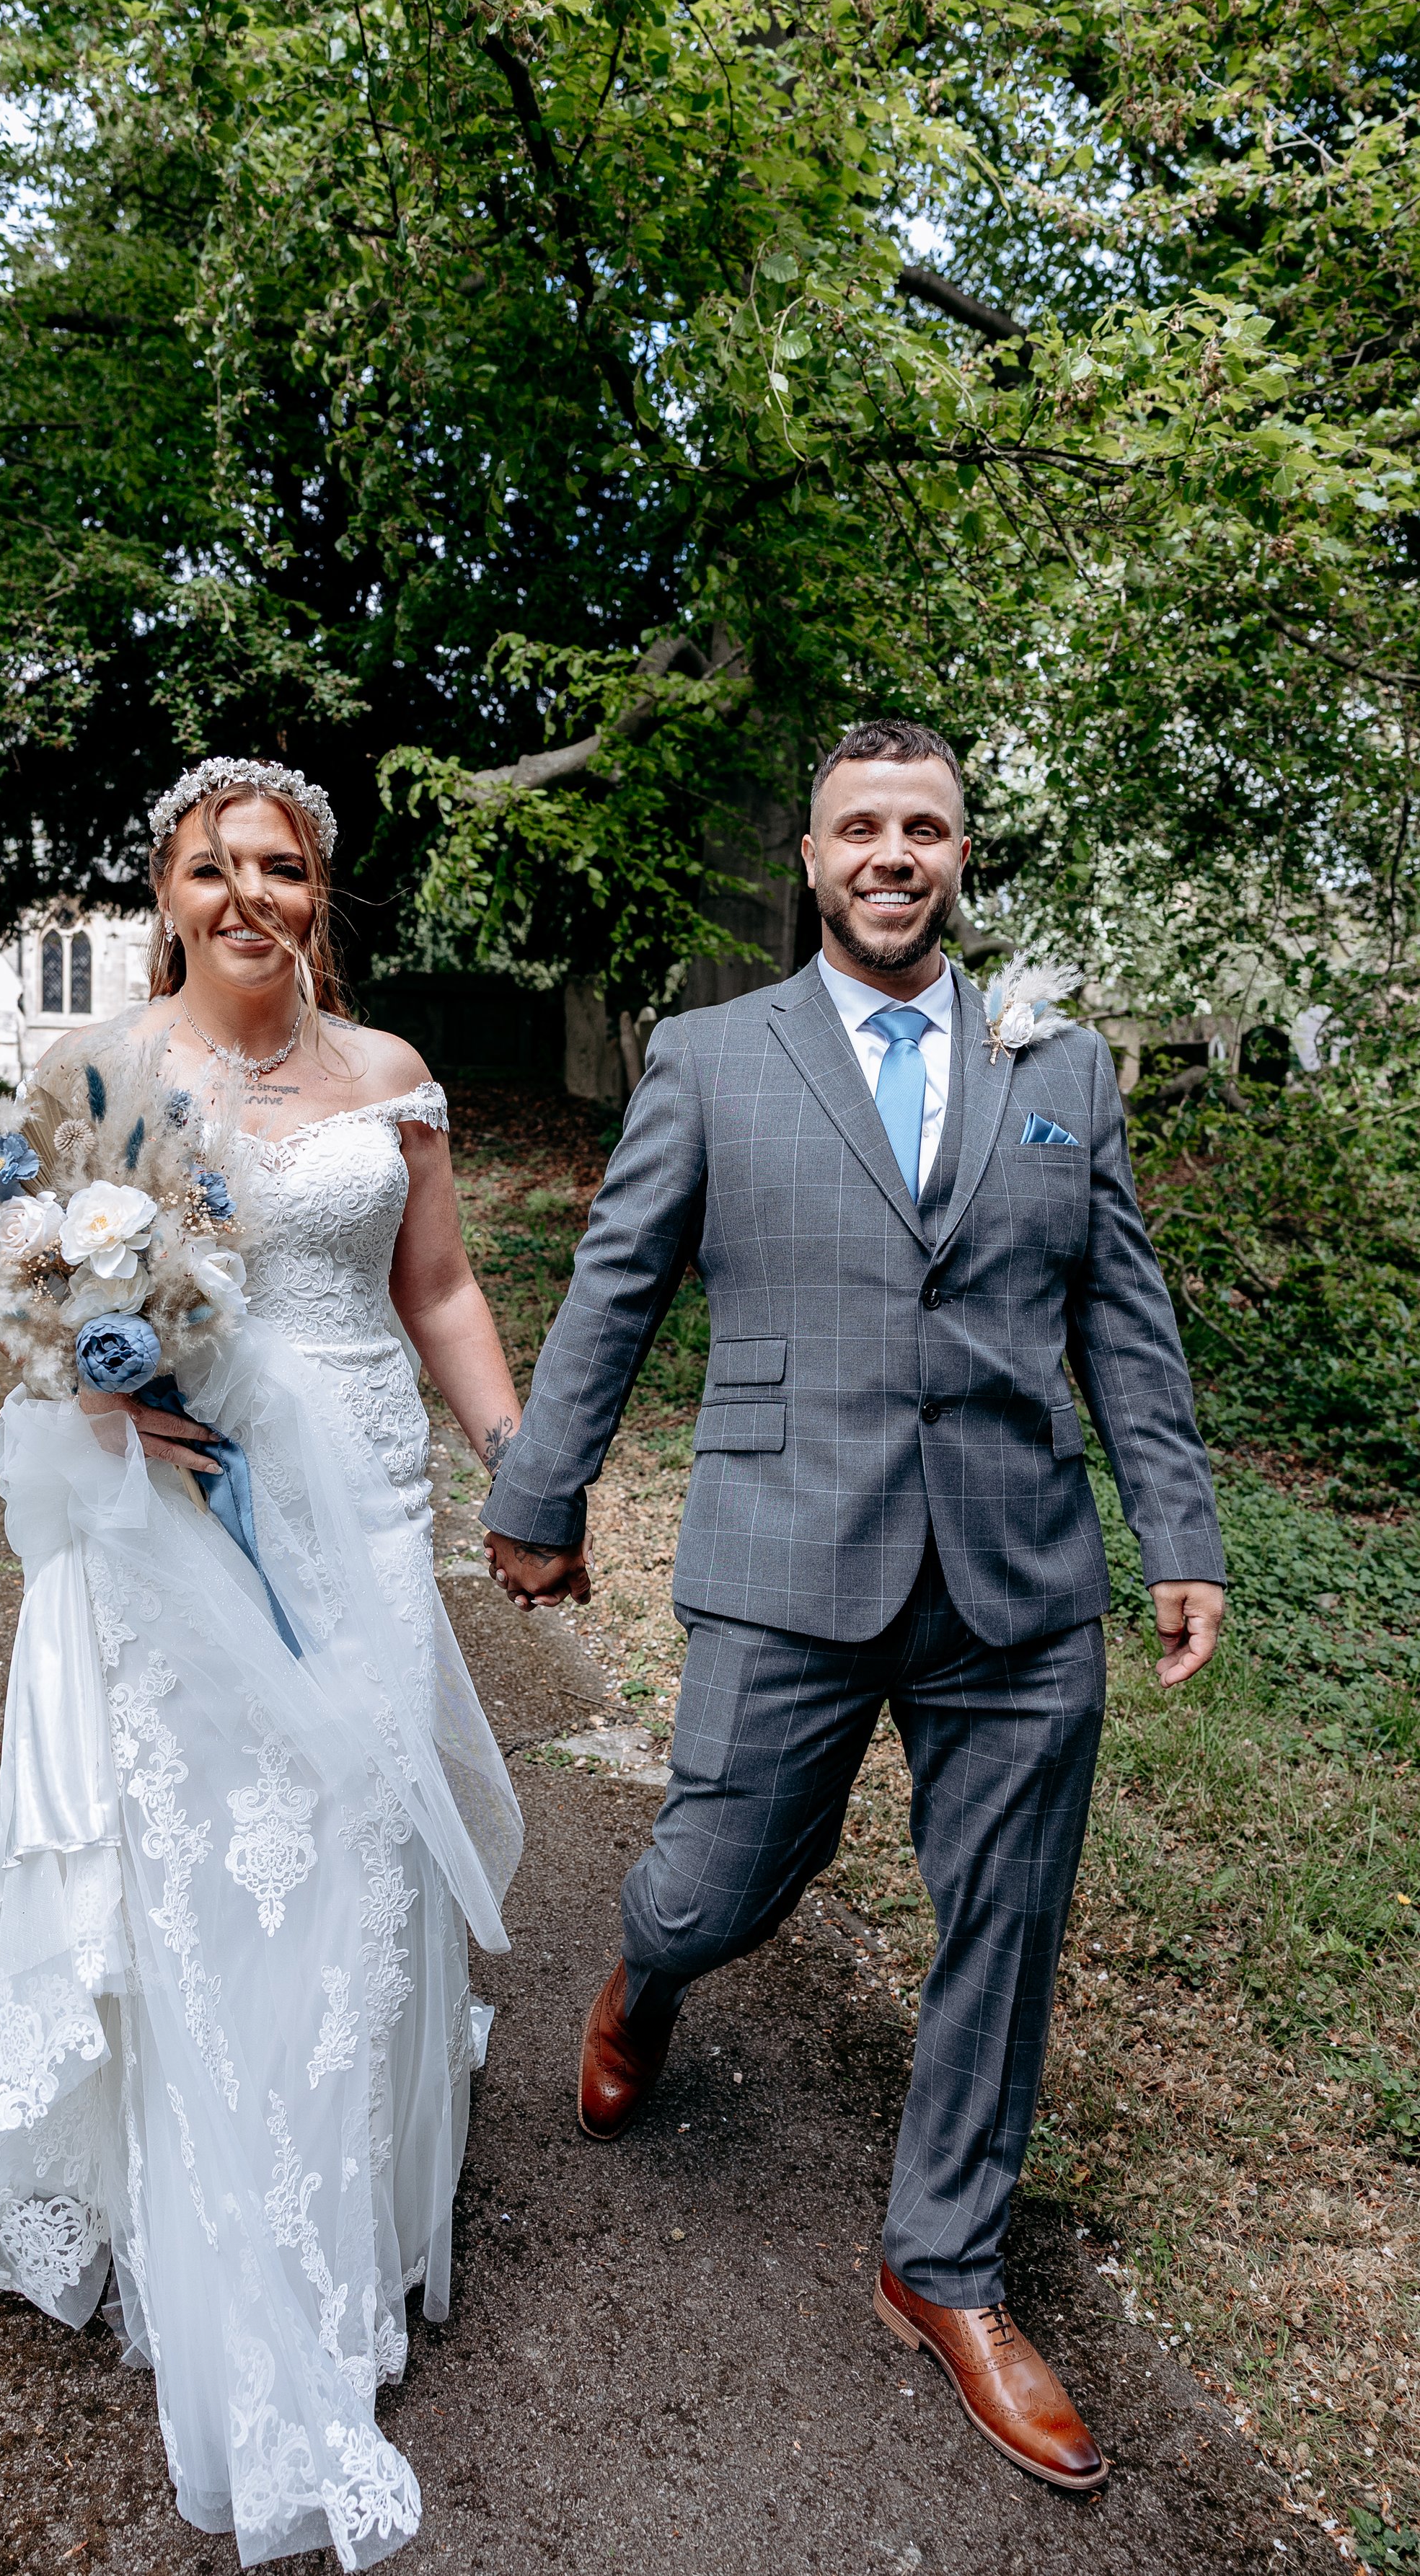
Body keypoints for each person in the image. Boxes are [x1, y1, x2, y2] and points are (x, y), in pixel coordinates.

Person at [481, 717, 1225, 2494]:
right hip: (784, 1553)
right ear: (809, 861)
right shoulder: (710, 1055)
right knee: (721, 1873)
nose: (892, 855)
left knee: (1007, 1921)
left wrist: (1173, 1529)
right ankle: (647, 1973)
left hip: (1017, 1579)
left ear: (963, 854)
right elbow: (617, 1283)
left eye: (926, 828)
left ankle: (940, 2261)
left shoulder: (1058, 1064)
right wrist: (538, 1491)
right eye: (857, 829)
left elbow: (1116, 1315)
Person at [0, 759, 525, 2569]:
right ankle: (210, 2214)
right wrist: (96, 1390)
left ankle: (332, 2213)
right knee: (200, 1860)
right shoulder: (90, 1071)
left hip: (363, 1506)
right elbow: (10, 1297)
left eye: (284, 869)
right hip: (175, 1511)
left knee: (346, 1857)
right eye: (212, 867)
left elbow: (436, 1295)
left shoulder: (390, 1077)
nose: (249, 895)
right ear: (165, 888)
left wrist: (517, 1461)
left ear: (322, 894)